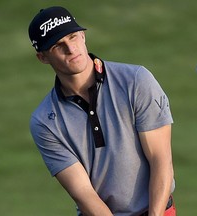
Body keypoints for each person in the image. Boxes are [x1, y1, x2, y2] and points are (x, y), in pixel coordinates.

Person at [28, 6, 176, 216]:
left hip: (157, 211)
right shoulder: (45, 121)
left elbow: (161, 160)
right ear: (42, 57)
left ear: (83, 36)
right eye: (58, 46)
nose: (71, 49)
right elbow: (82, 192)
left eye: (73, 37)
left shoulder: (136, 81)